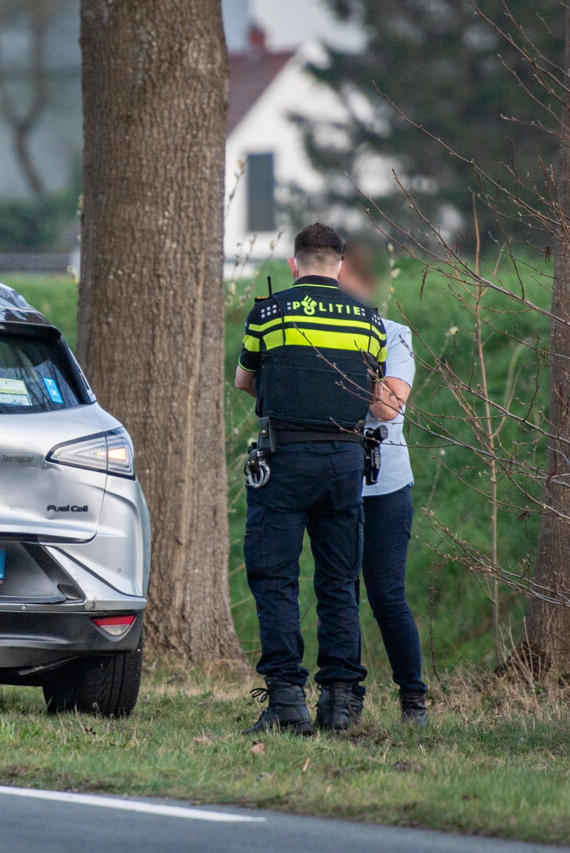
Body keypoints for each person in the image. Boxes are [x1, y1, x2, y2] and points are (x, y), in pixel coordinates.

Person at [234, 223, 387, 734]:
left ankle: (286, 702)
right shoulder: (369, 320)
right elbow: (374, 394)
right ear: (340, 266)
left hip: (284, 459)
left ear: (294, 264)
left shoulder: (269, 312)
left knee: (275, 578)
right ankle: (340, 705)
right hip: (345, 460)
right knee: (339, 581)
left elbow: (244, 380)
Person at [339, 237, 428, 726]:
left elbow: (387, 406)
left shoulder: (395, 335)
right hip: (335, 480)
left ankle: (413, 700)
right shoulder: (316, 334)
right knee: (340, 593)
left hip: (386, 486)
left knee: (386, 594)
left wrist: (357, 355)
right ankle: (346, 697)